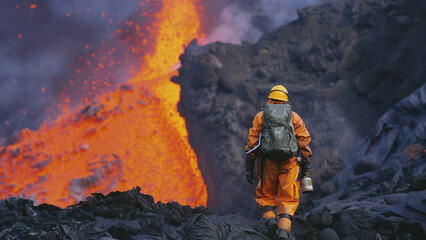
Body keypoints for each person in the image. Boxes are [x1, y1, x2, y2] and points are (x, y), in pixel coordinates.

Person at [245, 85, 312, 240]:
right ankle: (283, 231)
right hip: (290, 161)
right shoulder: (294, 117)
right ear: (285, 101)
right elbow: (304, 141)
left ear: (270, 99)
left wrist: (249, 167)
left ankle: (270, 221)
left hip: (267, 161)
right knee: (288, 196)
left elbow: (252, 144)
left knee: (265, 192)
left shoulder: (261, 117)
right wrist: (306, 166)